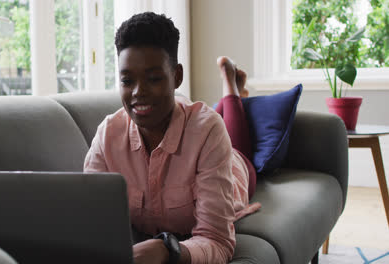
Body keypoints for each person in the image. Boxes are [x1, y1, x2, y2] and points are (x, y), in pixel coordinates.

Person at [84, 12, 260, 264]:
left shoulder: (208, 129)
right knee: (207, 119)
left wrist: (170, 251)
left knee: (237, 143)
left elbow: (218, 241)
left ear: (177, 76)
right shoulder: (107, 135)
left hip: (236, 169)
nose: (138, 92)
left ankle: (231, 86)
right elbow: (90, 220)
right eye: (127, 80)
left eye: (154, 78)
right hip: (192, 123)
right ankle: (230, 94)